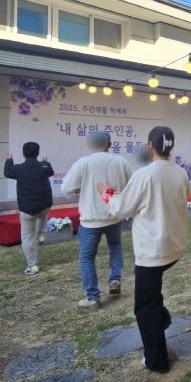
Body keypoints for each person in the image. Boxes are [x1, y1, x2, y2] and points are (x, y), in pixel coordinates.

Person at [97, 126, 190, 374]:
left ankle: (157, 361)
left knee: (145, 308)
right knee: (152, 299)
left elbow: (120, 208)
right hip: (173, 245)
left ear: (150, 145)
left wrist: (106, 193)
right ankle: (161, 319)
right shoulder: (180, 173)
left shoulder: (145, 174)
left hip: (152, 250)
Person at [62, 131, 133, 308]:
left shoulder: (84, 162)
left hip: (91, 219)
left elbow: (66, 188)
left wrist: (80, 189)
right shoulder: (121, 161)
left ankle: (92, 297)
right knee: (115, 245)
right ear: (109, 144)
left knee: (87, 258)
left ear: (90, 144)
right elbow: (132, 185)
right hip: (113, 215)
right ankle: (115, 279)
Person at [4, 142, 54, 275]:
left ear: (23, 153)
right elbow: (50, 172)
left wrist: (9, 160)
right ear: (38, 153)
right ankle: (41, 235)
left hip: (28, 209)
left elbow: (7, 172)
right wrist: (45, 162)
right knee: (43, 217)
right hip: (45, 204)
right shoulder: (44, 166)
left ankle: (32, 266)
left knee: (28, 238)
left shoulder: (18, 169)